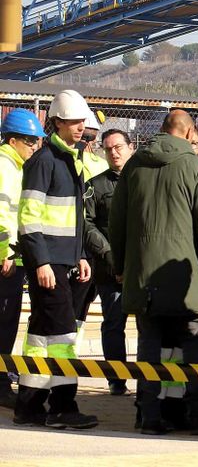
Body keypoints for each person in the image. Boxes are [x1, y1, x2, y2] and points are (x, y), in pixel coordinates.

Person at [109, 109, 198, 435]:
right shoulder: (196, 167)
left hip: (143, 275)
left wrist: (120, 266)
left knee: (150, 344)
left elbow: (116, 223)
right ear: (189, 133)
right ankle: (197, 414)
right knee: (191, 345)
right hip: (185, 279)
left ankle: (150, 414)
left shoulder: (134, 165)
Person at [14, 89, 98, 429]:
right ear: (58, 122)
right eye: (74, 121)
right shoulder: (45, 161)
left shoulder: (68, 160)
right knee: (63, 335)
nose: (81, 127)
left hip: (63, 260)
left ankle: (29, 406)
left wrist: (78, 254)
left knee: (41, 336)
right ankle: (63, 407)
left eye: (82, 121)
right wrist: (42, 262)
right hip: (49, 263)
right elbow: (28, 217)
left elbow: (72, 218)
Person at [80, 127, 133, 394]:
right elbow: (86, 223)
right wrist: (109, 254)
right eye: (108, 148)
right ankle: (116, 378)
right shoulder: (96, 186)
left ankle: (151, 379)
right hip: (110, 268)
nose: (113, 153)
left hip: (142, 267)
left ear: (130, 147)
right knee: (114, 323)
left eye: (118, 147)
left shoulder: (144, 180)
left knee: (151, 326)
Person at [0, 109, 45, 410]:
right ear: (13, 140)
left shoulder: (15, 166)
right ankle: (0, 384)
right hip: (6, 260)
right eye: (29, 141)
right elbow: (2, 213)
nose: (34, 147)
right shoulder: (5, 166)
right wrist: (4, 252)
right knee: (4, 323)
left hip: (12, 257)